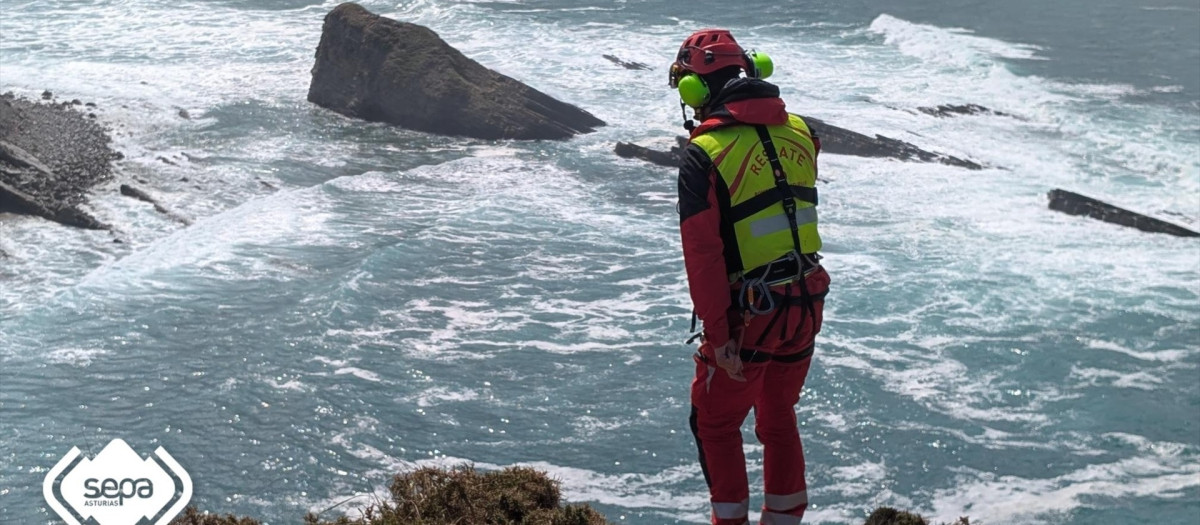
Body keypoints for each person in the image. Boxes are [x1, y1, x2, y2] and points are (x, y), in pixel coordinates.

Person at [670, 28, 831, 525]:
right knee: (778, 417)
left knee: (714, 423)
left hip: (751, 314)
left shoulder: (704, 152)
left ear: (695, 90)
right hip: (806, 299)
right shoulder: (802, 131)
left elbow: (703, 254)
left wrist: (720, 338)